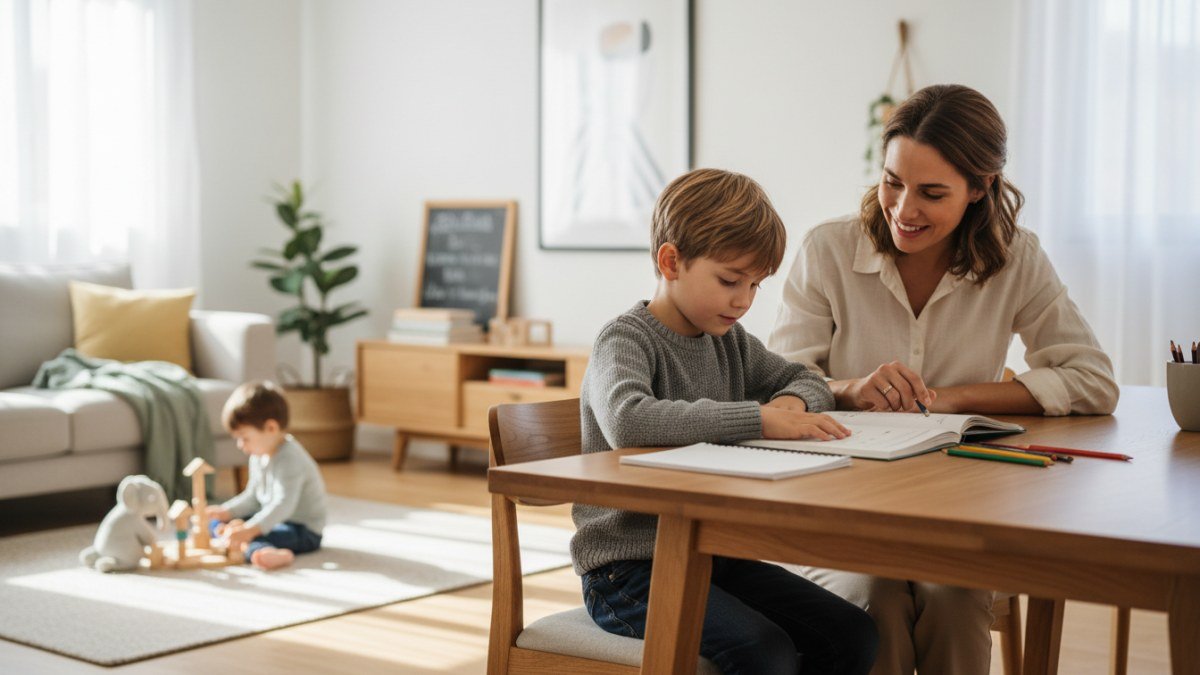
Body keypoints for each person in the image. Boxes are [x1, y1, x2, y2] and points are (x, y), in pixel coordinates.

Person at [768, 84, 1119, 674]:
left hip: (962, 513)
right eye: (892, 182)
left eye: (932, 193)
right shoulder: (828, 250)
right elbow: (780, 384)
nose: (904, 209)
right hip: (839, 507)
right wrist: (850, 388)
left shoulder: (1016, 258)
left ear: (980, 188)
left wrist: (951, 399)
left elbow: (1091, 378)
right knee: (870, 598)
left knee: (954, 596)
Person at [573, 167, 879, 674]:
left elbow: (809, 381)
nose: (744, 300)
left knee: (852, 634)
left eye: (756, 285)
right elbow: (629, 420)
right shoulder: (624, 341)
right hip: (627, 572)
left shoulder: (730, 343)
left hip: (715, 554)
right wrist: (756, 419)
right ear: (671, 261)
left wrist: (789, 409)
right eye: (730, 280)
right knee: (763, 652)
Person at [206, 381, 328, 570]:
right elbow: (253, 497)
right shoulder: (259, 455)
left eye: (244, 437)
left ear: (271, 428)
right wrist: (226, 511)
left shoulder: (290, 459)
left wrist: (249, 530)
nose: (240, 445)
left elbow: (283, 506)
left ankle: (262, 552)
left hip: (301, 529)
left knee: (253, 535)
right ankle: (239, 540)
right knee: (213, 524)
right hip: (273, 520)